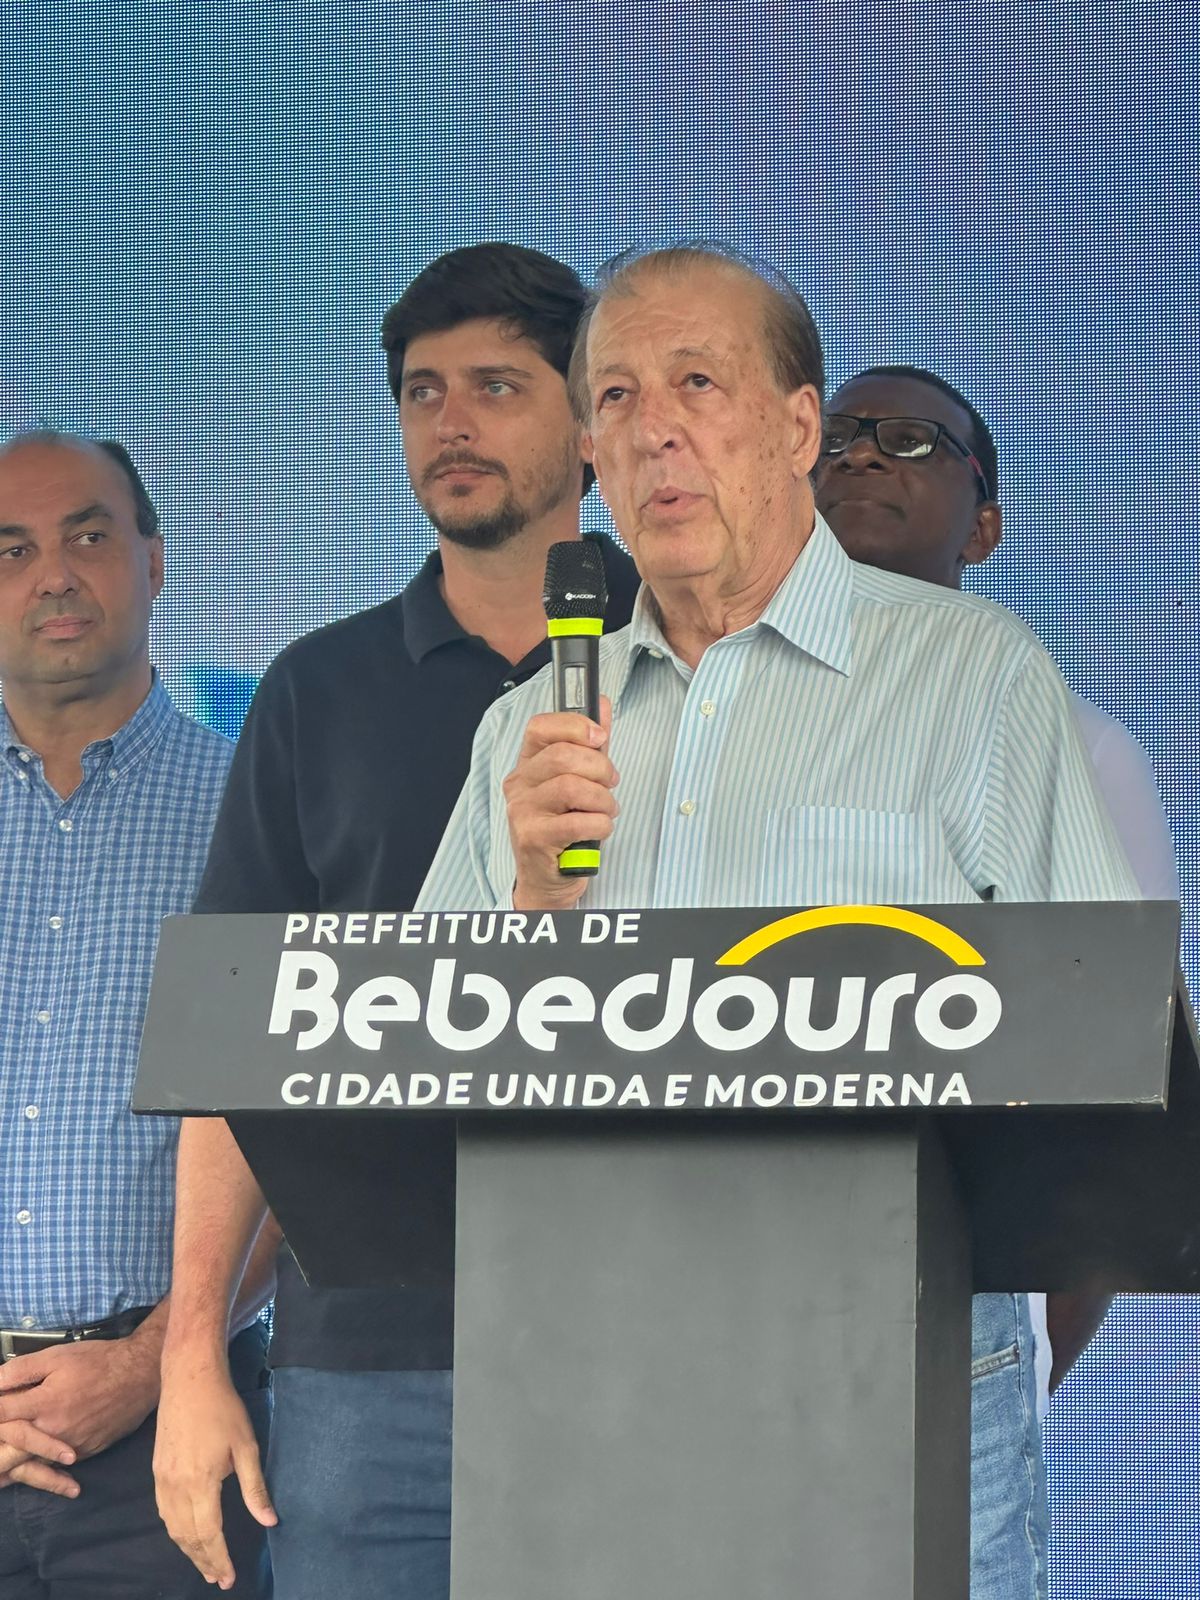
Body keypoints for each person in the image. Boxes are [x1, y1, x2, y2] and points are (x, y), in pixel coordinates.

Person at [414, 243, 1140, 1600]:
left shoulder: (974, 677)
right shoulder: (528, 729)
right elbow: (412, 1073)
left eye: (698, 382)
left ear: (799, 427)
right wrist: (533, 904)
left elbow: (1105, 1052)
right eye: (617, 397)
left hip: (892, 1368)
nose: (656, 429)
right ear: (590, 454)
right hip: (599, 1384)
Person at [153, 243, 641, 1597]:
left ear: (591, 425)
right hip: (370, 1365)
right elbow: (237, 1045)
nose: (452, 422)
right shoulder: (315, 691)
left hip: (656, 1337)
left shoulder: (697, 664)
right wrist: (191, 1353)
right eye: (424, 393)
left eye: (496, 385)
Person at [812, 361, 1178, 1581]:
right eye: (838, 435)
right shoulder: (699, 733)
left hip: (947, 1352)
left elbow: (1121, 1100)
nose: (863, 453)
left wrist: (1004, 1361)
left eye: (912, 439)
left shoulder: (1078, 748)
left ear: (985, 524)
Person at [0, 431, 272, 1598]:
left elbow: (303, 1140)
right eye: (12, 550)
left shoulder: (253, 808)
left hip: (175, 1439)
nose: (54, 574)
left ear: (154, 561)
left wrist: (149, 1362)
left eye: (88, 535)